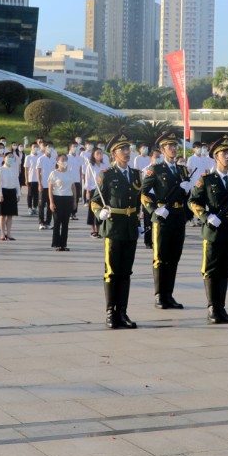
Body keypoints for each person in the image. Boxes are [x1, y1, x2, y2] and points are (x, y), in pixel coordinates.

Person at [186, 139, 228, 324]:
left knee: (225, 270)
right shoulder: (207, 179)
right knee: (211, 270)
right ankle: (212, 308)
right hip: (212, 231)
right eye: (224, 153)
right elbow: (193, 201)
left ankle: (221, 307)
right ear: (216, 157)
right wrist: (205, 216)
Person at [91, 139, 142, 329]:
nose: (126, 152)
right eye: (122, 149)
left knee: (126, 272)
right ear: (114, 154)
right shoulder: (107, 175)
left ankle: (123, 312)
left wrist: (139, 222)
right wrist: (99, 213)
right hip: (113, 227)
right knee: (112, 272)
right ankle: (110, 313)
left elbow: (138, 201)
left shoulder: (136, 174)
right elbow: (95, 201)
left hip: (130, 228)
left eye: (128, 148)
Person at [141, 134, 192, 311]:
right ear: (162, 150)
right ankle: (159, 295)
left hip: (179, 215)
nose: (173, 148)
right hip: (163, 215)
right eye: (170, 146)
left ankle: (169, 295)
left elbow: (187, 196)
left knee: (174, 257)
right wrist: (153, 210)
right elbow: (144, 192)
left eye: (175, 146)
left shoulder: (182, 170)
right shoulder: (154, 169)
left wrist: (187, 191)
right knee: (161, 257)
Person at [47, 154, 74, 250]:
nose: (64, 161)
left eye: (66, 159)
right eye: (62, 159)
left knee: (65, 223)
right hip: (57, 198)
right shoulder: (54, 173)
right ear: (57, 161)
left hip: (68, 199)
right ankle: (56, 244)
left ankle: (64, 244)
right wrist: (51, 202)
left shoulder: (70, 173)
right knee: (57, 222)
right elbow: (50, 189)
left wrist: (74, 201)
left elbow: (73, 188)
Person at [0, 150, 20, 240]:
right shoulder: (1, 169)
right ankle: (2, 233)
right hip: (4, 192)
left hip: (12, 192)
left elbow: (17, 181)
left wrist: (18, 193)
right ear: (4, 158)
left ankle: (8, 233)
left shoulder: (14, 169)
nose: (10, 158)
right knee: (2, 215)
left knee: (10, 215)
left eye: (12, 157)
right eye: (8, 157)